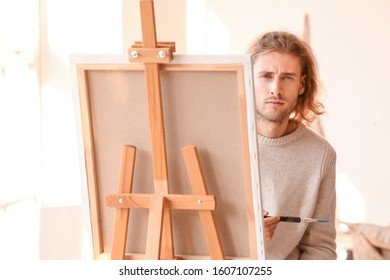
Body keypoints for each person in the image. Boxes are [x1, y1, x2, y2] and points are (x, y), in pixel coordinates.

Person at [247, 31, 337, 259]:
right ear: (247, 78)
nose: (275, 89)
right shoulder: (219, 141)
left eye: (287, 77)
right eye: (266, 76)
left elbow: (320, 249)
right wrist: (243, 232)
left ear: (301, 85)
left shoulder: (321, 155)